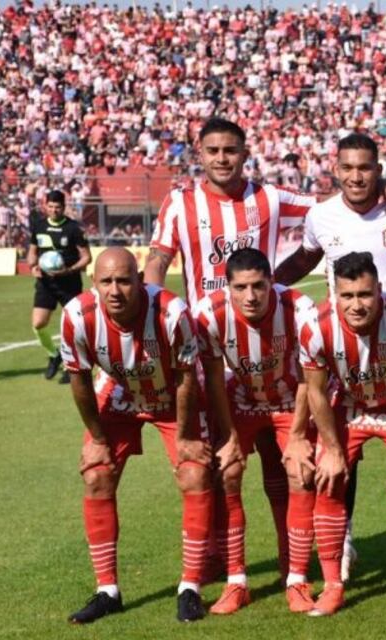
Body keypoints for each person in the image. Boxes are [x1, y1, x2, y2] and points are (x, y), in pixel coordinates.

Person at [144, 117, 317, 586]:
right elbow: (159, 257)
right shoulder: (180, 203)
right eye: (213, 150)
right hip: (210, 354)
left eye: (231, 150)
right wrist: (153, 306)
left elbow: (330, 212)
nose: (222, 158)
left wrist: (282, 279)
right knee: (223, 463)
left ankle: (294, 561)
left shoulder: (273, 198)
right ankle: (222, 561)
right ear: (199, 154)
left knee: (282, 469)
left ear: (246, 153)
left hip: (270, 349)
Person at [275, 132, 386, 582]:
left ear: (379, 170)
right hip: (341, 357)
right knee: (341, 457)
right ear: (336, 170)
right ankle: (343, 543)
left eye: (366, 167)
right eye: (348, 167)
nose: (357, 175)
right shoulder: (321, 216)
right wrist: (268, 287)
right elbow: (303, 261)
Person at [60, 248, 212, 624]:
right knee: (96, 475)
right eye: (106, 281)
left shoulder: (172, 313)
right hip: (119, 395)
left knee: (195, 473)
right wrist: (97, 438)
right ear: (94, 283)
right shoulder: (77, 316)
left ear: (140, 280)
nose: (115, 290)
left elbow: (186, 377)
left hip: (170, 396)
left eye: (124, 280)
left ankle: (190, 587)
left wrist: (186, 436)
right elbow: (78, 381)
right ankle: (107, 590)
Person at [293, 251, 386, 617]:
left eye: (365, 295)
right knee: (328, 479)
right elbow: (317, 393)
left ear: (380, 290)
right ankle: (332, 586)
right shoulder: (315, 326)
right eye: (348, 296)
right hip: (350, 406)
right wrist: (333, 450)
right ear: (334, 294)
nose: (357, 305)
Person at [192, 248, 313, 615]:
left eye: (259, 286)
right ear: (227, 287)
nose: (250, 296)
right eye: (241, 287)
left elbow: (311, 376)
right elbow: (213, 378)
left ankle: (296, 578)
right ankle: (236, 582)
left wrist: (296, 435)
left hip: (290, 400)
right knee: (226, 473)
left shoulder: (300, 308)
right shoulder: (208, 314)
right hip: (240, 400)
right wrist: (228, 436)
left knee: (300, 473)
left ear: (271, 282)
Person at [28, 190, 91, 383]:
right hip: (46, 283)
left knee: (72, 326)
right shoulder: (38, 226)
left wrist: (69, 270)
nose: (54, 210)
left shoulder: (73, 228)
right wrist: (33, 266)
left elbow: (87, 257)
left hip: (69, 283)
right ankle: (54, 355)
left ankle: (70, 365)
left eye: (58, 207)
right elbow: (32, 252)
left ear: (64, 208)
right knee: (38, 324)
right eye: (51, 206)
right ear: (45, 206)